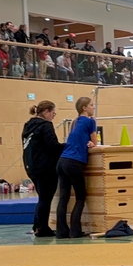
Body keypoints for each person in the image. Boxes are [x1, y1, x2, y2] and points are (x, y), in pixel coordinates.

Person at [55, 97, 98, 238]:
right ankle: (75, 231)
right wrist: (92, 143)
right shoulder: (90, 121)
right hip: (74, 162)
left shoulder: (74, 122)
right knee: (80, 197)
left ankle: (61, 231)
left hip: (62, 161)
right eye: (91, 105)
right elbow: (95, 141)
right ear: (84, 108)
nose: (93, 107)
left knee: (64, 197)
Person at [22, 101, 64, 237]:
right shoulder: (46, 125)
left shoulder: (28, 125)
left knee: (42, 198)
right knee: (45, 198)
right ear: (46, 112)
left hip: (31, 166)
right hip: (45, 167)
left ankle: (37, 226)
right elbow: (53, 146)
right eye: (53, 113)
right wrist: (68, 146)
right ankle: (42, 228)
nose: (53, 116)